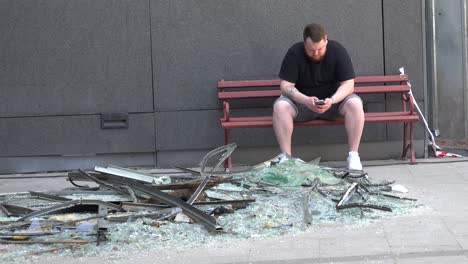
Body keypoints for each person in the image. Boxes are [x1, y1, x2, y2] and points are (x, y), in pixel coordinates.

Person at [272, 23, 364, 170]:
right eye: (311, 50)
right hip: (302, 105)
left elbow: (349, 85)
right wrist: (305, 100)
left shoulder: (337, 51)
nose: (315, 53)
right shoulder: (294, 53)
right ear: (304, 44)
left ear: (326, 40)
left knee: (355, 103)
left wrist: (333, 100)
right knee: (280, 106)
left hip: (333, 104)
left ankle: (353, 156)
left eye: (319, 49)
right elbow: (285, 86)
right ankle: (286, 158)